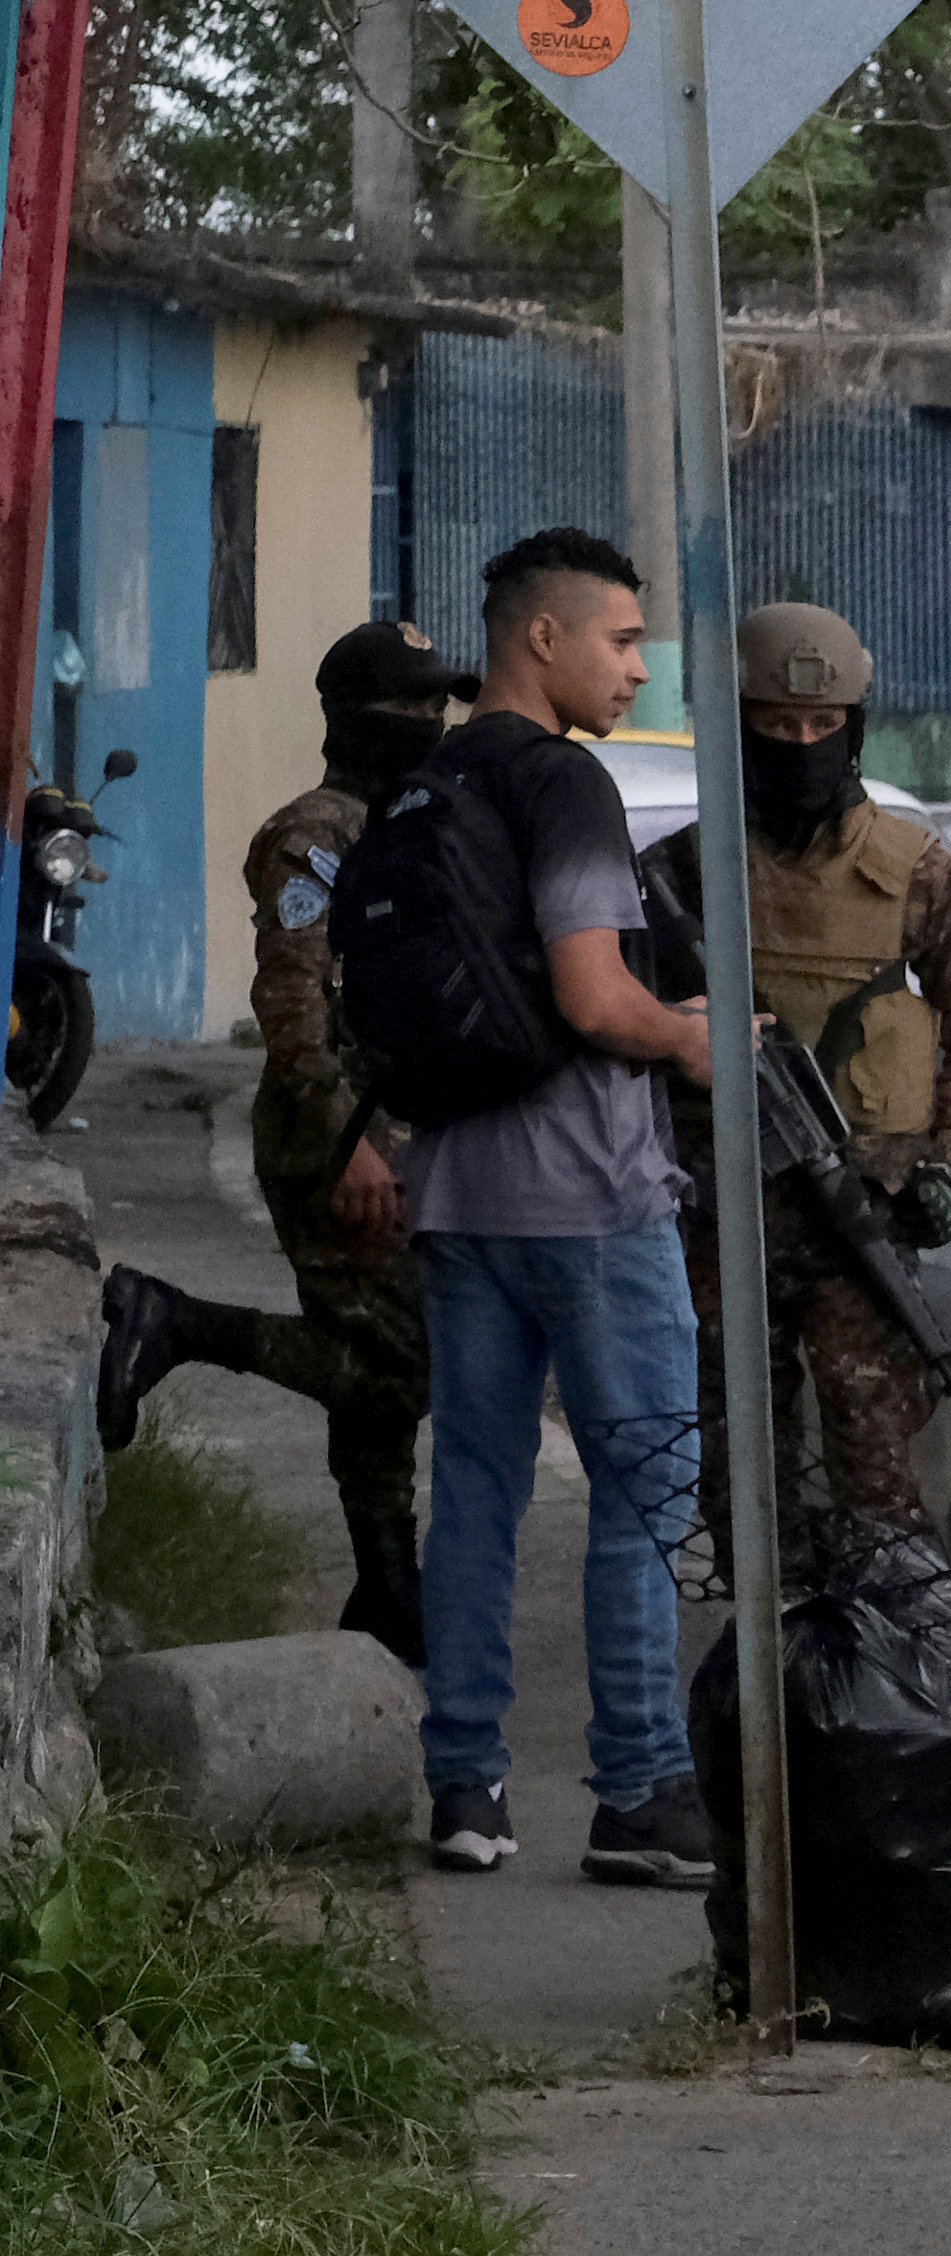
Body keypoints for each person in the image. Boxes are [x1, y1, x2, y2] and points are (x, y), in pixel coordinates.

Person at [395, 528, 722, 1888]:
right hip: (588, 1195)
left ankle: (465, 1787)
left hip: (458, 1188)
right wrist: (691, 1034)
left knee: (472, 1485)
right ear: (543, 638)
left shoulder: (428, 778)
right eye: (622, 640)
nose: (637, 668)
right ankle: (639, 1788)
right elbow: (594, 999)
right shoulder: (565, 784)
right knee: (645, 1490)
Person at [89, 619, 475, 1659]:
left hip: (407, 1133)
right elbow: (294, 999)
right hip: (337, 1137)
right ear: (355, 718)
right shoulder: (316, 834)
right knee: (406, 1366)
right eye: (411, 706)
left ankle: (388, 1590)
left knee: (373, 1361)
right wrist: (350, 1142)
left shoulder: (417, 819)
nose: (430, 724)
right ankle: (176, 1320)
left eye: (440, 705)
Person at [642, 601, 951, 1540]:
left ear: (854, 726)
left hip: (859, 1226)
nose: (802, 743)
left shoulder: (918, 873)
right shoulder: (679, 875)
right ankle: (774, 1675)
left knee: (880, 1492)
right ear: (739, 726)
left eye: (822, 726)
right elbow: (619, 1044)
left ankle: (883, 1668)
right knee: (737, 1498)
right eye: (778, 726)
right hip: (719, 1229)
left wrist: (948, 1166)